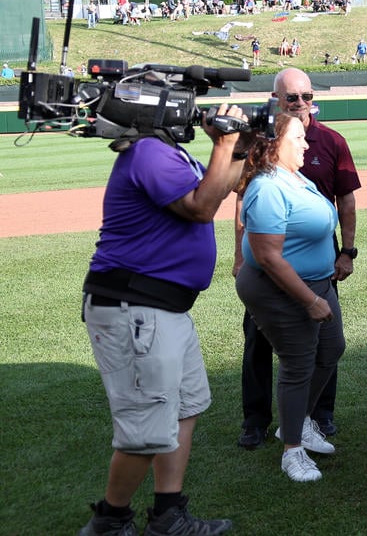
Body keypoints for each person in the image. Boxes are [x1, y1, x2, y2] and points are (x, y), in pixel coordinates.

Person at [79, 101, 250, 535]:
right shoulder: (149, 153)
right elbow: (200, 207)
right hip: (136, 307)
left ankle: (169, 515)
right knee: (147, 426)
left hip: (162, 309)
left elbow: (223, 187)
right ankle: (110, 521)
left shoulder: (165, 150)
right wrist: (226, 141)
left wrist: (238, 149)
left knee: (184, 408)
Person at [235, 68, 360, 449]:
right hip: (275, 269)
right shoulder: (267, 157)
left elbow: (345, 200)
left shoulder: (326, 144)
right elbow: (244, 204)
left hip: (317, 264)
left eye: (307, 97)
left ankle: (312, 418)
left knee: (324, 347)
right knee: (268, 346)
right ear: (277, 101)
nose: (302, 104)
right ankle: (262, 424)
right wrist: (240, 256)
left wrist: (347, 251)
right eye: (293, 98)